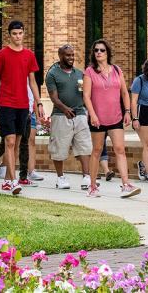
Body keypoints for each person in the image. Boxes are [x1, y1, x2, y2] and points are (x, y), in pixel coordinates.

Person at [82, 38, 140, 199]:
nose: (99, 53)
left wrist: (128, 111)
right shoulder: (89, 72)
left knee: (120, 149)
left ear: (107, 53)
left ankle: (126, 184)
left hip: (116, 117)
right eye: (96, 50)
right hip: (97, 118)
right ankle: (92, 187)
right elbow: (86, 96)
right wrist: (92, 115)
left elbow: (124, 92)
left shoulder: (116, 70)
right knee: (97, 150)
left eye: (102, 50)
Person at [0, 20, 43, 195]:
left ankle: (6, 180)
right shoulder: (2, 54)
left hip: (23, 105)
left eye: (20, 33)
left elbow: (33, 81)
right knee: (10, 141)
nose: (17, 36)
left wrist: (38, 102)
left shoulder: (29, 55)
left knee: (17, 143)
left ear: (23, 33)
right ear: (9, 35)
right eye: (14, 34)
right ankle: (13, 181)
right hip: (6, 103)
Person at [45, 44, 93, 190]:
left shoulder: (80, 74)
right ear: (60, 56)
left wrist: (88, 111)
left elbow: (85, 94)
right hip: (60, 116)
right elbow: (54, 97)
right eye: (67, 55)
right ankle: (60, 178)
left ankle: (86, 177)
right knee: (59, 148)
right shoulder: (52, 74)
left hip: (80, 115)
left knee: (84, 146)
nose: (71, 58)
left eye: (72, 55)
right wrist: (65, 109)